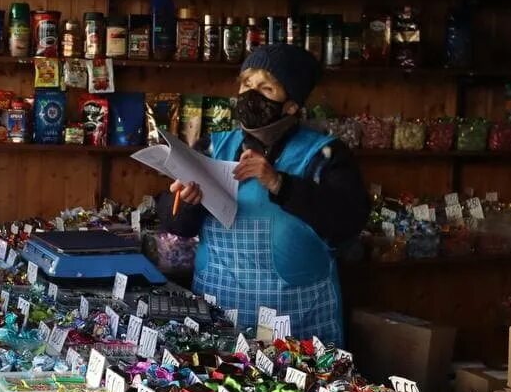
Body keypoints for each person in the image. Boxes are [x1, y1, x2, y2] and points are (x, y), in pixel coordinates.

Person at [157, 43, 368, 343]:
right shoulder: (212, 147)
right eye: (246, 84)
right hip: (220, 312)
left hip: (297, 321)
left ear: (291, 105)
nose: (250, 95)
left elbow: (348, 220)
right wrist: (186, 203)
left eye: (266, 89)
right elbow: (174, 223)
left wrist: (279, 183)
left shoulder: (324, 154)